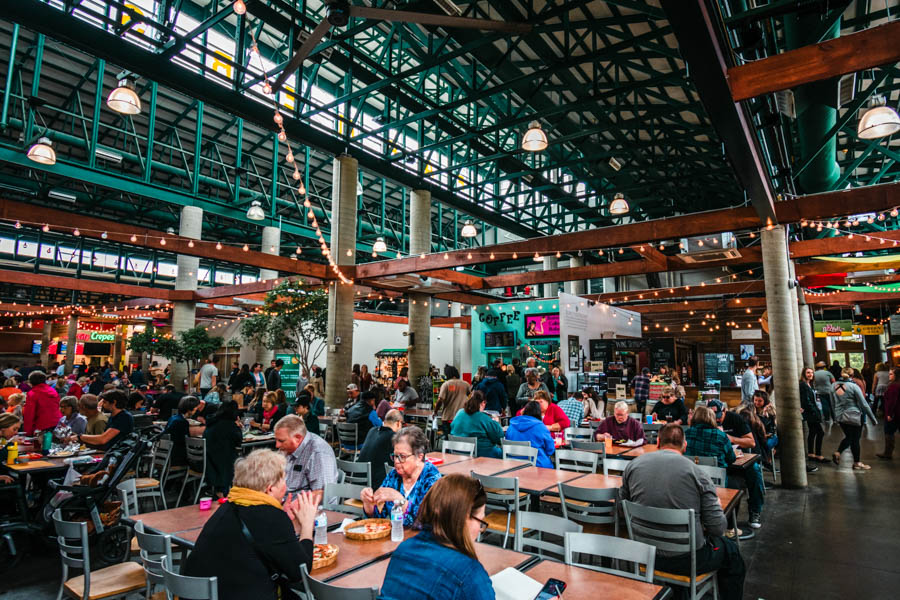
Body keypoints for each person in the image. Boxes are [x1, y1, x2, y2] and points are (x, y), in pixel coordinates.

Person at [620, 424, 745, 600]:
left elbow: (622, 507)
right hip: (688, 560)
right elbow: (717, 529)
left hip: (644, 553)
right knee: (731, 552)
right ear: (684, 445)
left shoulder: (633, 466)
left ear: (657, 442)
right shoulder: (698, 474)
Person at [184, 449, 316, 600]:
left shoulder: (229, 506)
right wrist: (307, 525)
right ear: (270, 488)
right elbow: (300, 572)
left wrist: (280, 515)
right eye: (284, 480)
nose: (286, 486)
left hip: (198, 594)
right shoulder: (271, 518)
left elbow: (260, 538)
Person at [378, 474, 493, 600]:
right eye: (480, 521)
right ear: (464, 517)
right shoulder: (469, 574)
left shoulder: (403, 550)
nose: (479, 530)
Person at [361, 426, 441, 526]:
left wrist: (399, 499)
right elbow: (378, 516)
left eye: (402, 456)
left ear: (419, 457)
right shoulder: (393, 477)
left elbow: (429, 521)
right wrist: (368, 504)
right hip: (396, 537)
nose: (396, 461)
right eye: (395, 456)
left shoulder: (431, 479)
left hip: (422, 540)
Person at [273, 414, 338, 504]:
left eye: (281, 441)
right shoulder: (286, 447)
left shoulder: (318, 453)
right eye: (276, 440)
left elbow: (322, 493)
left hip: (308, 509)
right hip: (284, 501)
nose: (277, 445)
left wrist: (290, 506)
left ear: (298, 438)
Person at [718, 408, 766, 529]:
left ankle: (755, 511)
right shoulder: (708, 420)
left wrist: (729, 438)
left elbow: (751, 442)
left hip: (741, 458)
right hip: (720, 461)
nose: (717, 419)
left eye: (719, 415)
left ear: (724, 410)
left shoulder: (735, 419)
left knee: (754, 471)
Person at [832, 367, 877, 470]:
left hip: (841, 417)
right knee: (855, 439)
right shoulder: (853, 386)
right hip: (854, 416)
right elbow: (864, 404)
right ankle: (856, 463)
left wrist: (835, 417)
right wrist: (872, 418)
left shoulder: (833, 386)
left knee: (849, 437)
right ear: (852, 375)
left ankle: (838, 452)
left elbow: (832, 403)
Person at [203, 400, 243, 497]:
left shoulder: (211, 421)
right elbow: (238, 442)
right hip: (224, 464)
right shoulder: (229, 425)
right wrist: (238, 427)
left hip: (209, 462)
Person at [450, 391, 504, 458]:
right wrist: (496, 422)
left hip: (458, 451)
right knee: (504, 453)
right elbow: (499, 438)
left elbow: (452, 428)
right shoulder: (483, 418)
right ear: (483, 403)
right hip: (482, 454)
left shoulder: (459, 413)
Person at [359, 409, 404, 487]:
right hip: (375, 487)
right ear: (398, 423)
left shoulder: (372, 431)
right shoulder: (394, 437)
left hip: (357, 482)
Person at [505, 400, 555, 468]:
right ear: (539, 413)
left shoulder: (511, 426)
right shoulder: (540, 427)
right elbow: (550, 450)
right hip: (538, 466)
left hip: (513, 465)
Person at [162, 396, 203, 466]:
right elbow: (185, 442)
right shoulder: (182, 422)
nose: (196, 410)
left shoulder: (173, 418)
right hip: (177, 458)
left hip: (167, 454)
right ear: (190, 409)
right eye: (196, 408)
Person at [23, 370, 61, 436]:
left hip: (42, 425)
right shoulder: (53, 390)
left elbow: (29, 414)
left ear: (31, 382)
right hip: (57, 423)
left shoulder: (33, 393)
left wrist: (27, 432)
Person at [800, 366, 825, 462]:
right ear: (804, 374)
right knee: (820, 432)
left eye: (811, 373)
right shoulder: (803, 385)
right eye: (808, 373)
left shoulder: (809, 384)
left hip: (813, 410)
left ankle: (812, 453)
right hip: (811, 412)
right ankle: (817, 454)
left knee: (813, 432)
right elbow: (806, 400)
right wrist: (814, 410)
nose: (810, 375)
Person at [435, 366, 470, 434]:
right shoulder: (466, 384)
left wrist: (435, 411)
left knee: (448, 439)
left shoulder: (446, 384)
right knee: (460, 437)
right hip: (462, 417)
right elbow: (472, 396)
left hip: (448, 417)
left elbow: (440, 400)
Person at [877, 366, 900, 459]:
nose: (889, 376)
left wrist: (889, 414)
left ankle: (888, 453)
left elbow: (891, 401)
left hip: (894, 413)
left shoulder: (894, 386)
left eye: (891, 374)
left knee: (889, 432)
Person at [752, 390, 778, 455]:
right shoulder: (751, 410)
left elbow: (768, 428)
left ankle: (766, 459)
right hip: (757, 436)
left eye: (760, 401)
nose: (757, 402)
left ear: (765, 401)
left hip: (770, 436)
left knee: (765, 445)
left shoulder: (770, 411)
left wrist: (764, 414)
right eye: (755, 400)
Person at [1, 413, 22, 480]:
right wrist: (11, 444)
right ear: (3, 427)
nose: (16, 432)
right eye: (14, 429)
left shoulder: (2, 439)